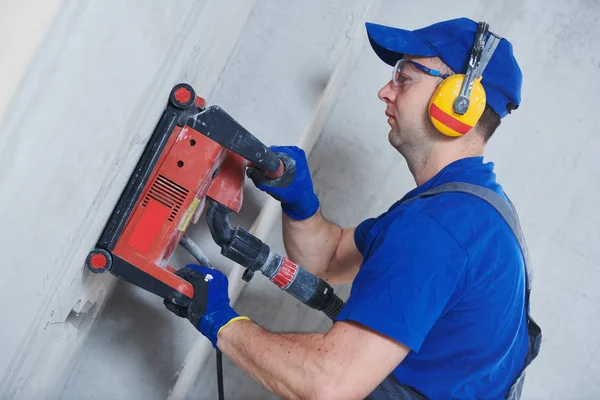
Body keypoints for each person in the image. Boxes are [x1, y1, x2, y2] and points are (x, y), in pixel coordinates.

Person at [166, 17, 540, 399]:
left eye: (404, 78)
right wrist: (300, 203)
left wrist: (221, 322)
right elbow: (327, 259)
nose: (385, 91)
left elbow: (328, 384)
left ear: (460, 102)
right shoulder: (472, 209)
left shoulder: (441, 228)